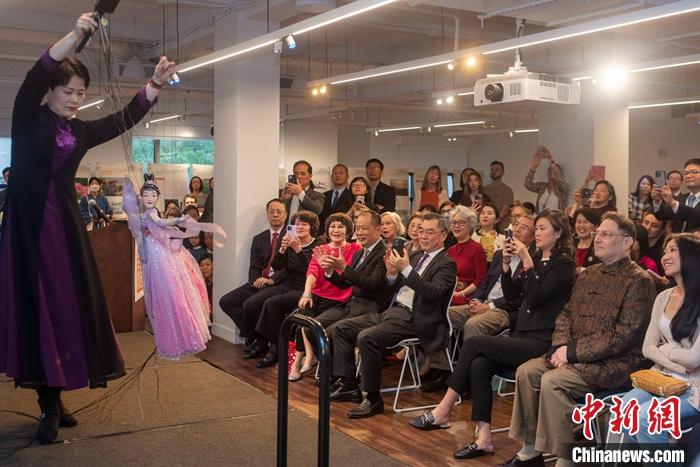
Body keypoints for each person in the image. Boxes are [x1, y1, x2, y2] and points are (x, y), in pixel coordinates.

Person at [0, 13, 174, 444]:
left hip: (65, 232)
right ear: (50, 92)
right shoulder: (26, 117)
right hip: (28, 233)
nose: (76, 99)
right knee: (37, 310)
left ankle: (56, 396)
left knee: (65, 310)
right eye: (69, 91)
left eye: (81, 92)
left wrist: (153, 84)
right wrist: (77, 34)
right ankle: (47, 403)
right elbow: (37, 71)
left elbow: (123, 118)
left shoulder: (78, 131)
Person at [410, 210, 576, 461]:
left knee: (474, 343)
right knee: (479, 365)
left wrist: (526, 260)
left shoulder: (563, 264)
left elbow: (535, 298)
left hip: (543, 339)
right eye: (537, 228)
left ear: (559, 232)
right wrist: (507, 267)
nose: (538, 233)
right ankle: (484, 437)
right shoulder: (535, 259)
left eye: (543, 228)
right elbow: (513, 295)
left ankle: (444, 408)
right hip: (521, 333)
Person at [500, 212, 656, 467]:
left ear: (627, 242)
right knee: (527, 372)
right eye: (597, 233)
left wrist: (571, 352)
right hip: (573, 354)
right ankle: (529, 451)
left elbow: (623, 335)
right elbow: (566, 313)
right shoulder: (588, 273)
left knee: (553, 381)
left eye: (606, 234)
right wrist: (561, 347)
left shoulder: (639, 280)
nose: (598, 239)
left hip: (613, 362)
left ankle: (566, 458)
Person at [333, 213, 457, 418]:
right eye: (421, 231)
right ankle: (349, 385)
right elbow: (395, 286)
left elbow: (432, 292)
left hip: (416, 319)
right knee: (341, 328)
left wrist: (406, 269)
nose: (423, 236)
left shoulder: (446, 264)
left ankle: (373, 399)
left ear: (443, 235)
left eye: (429, 232)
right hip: (393, 312)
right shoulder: (415, 256)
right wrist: (391, 274)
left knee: (367, 337)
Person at [123, 175, 224, 361]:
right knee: (165, 290)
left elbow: (160, 223)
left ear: (158, 197)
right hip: (154, 251)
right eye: (146, 195)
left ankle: (177, 336)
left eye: (153, 195)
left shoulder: (151, 212)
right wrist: (176, 220)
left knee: (169, 289)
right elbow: (156, 224)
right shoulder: (148, 212)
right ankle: (174, 337)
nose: (150, 198)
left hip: (158, 252)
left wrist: (177, 220)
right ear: (142, 197)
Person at [614, 234, 700, 448]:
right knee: (624, 411)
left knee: (646, 419)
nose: (665, 257)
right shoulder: (664, 296)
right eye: (664, 251)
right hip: (665, 377)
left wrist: (666, 349)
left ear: (690, 256)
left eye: (673, 250)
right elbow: (648, 347)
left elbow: (694, 359)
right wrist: (677, 364)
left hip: (695, 385)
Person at [289, 213, 361, 381]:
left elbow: (352, 276)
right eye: (332, 226)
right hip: (317, 296)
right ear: (327, 230)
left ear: (348, 230)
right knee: (303, 317)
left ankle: (308, 359)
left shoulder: (355, 249)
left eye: (341, 226)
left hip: (339, 300)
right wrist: (307, 293)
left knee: (311, 326)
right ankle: (304, 359)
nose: (336, 230)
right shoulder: (320, 249)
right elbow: (312, 272)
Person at [422, 206, 487, 389]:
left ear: (470, 225)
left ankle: (443, 369)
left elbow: (481, 279)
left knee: (441, 316)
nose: (456, 226)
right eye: (453, 223)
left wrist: (462, 293)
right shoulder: (450, 249)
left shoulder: (477, 249)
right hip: (449, 297)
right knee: (428, 312)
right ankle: (438, 365)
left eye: (461, 223)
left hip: (467, 299)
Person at [253, 210, 321, 368]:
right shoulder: (291, 241)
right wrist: (283, 249)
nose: (300, 227)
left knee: (271, 304)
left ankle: (275, 348)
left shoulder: (318, 243)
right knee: (255, 302)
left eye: (304, 224)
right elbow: (277, 266)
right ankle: (265, 341)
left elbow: (312, 270)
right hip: (287, 284)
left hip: (305, 288)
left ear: (312, 227)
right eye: (297, 224)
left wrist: (298, 249)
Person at [218, 199, 285, 357]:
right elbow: (254, 265)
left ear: (285, 214)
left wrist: (272, 280)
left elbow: (289, 268)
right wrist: (254, 281)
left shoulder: (291, 237)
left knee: (251, 304)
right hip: (259, 282)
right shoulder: (259, 238)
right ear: (267, 215)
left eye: (279, 211)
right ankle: (256, 336)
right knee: (226, 301)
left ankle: (262, 342)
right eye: (272, 212)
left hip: (277, 283)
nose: (275, 215)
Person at [652, 159, 700, 233]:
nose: (688, 176)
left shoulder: (675, 202)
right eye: (686, 173)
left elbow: (696, 216)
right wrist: (657, 201)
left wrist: (673, 203)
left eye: (694, 172)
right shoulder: (680, 199)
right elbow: (662, 216)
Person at [524, 146, 569, 212]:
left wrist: (550, 158)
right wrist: (533, 167)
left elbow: (558, 177)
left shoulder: (562, 189)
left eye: (554, 170)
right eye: (550, 170)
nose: (552, 172)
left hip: (556, 218)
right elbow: (527, 184)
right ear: (547, 173)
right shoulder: (542, 186)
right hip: (541, 217)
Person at [483, 161, 515, 227]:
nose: (494, 172)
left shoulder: (507, 190)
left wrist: (495, 221)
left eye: (497, 170)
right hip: (486, 224)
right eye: (492, 170)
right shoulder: (484, 189)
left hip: (501, 225)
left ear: (503, 172)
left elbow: (505, 208)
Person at [572, 208, 601, 274]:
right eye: (579, 222)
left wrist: (582, 271)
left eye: (586, 222)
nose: (581, 225)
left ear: (596, 226)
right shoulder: (569, 244)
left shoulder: (600, 246)